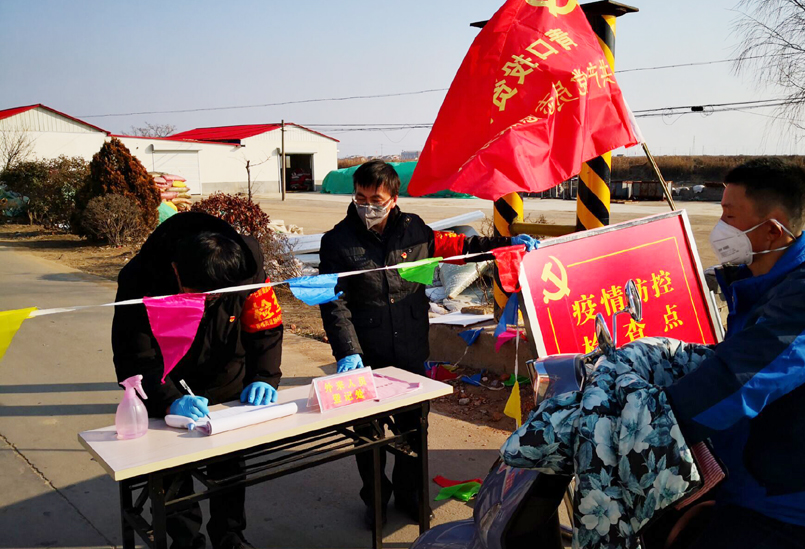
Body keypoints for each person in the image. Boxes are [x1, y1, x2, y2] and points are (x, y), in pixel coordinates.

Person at [660, 158, 805, 548]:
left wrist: (646, 416)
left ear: (772, 231)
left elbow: (735, 382)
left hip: (798, 509)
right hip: (755, 481)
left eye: (729, 216)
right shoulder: (766, 279)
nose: (720, 227)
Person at [319, 159, 538, 528]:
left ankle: (411, 495)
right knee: (368, 435)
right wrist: (348, 351)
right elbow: (334, 301)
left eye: (375, 200)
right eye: (360, 198)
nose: (367, 206)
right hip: (366, 353)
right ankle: (376, 500)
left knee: (413, 431)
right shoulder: (337, 241)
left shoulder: (415, 230)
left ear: (393, 199)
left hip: (410, 349)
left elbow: (463, 246)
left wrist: (507, 245)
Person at [112, 212, 284, 549]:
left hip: (227, 372)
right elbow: (135, 354)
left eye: (215, 296)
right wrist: (167, 399)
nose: (207, 302)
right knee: (172, 469)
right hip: (167, 377)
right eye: (198, 294)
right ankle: (186, 541)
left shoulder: (245, 264)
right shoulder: (140, 278)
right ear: (176, 270)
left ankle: (230, 536)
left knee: (228, 465)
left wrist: (264, 375)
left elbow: (265, 325)